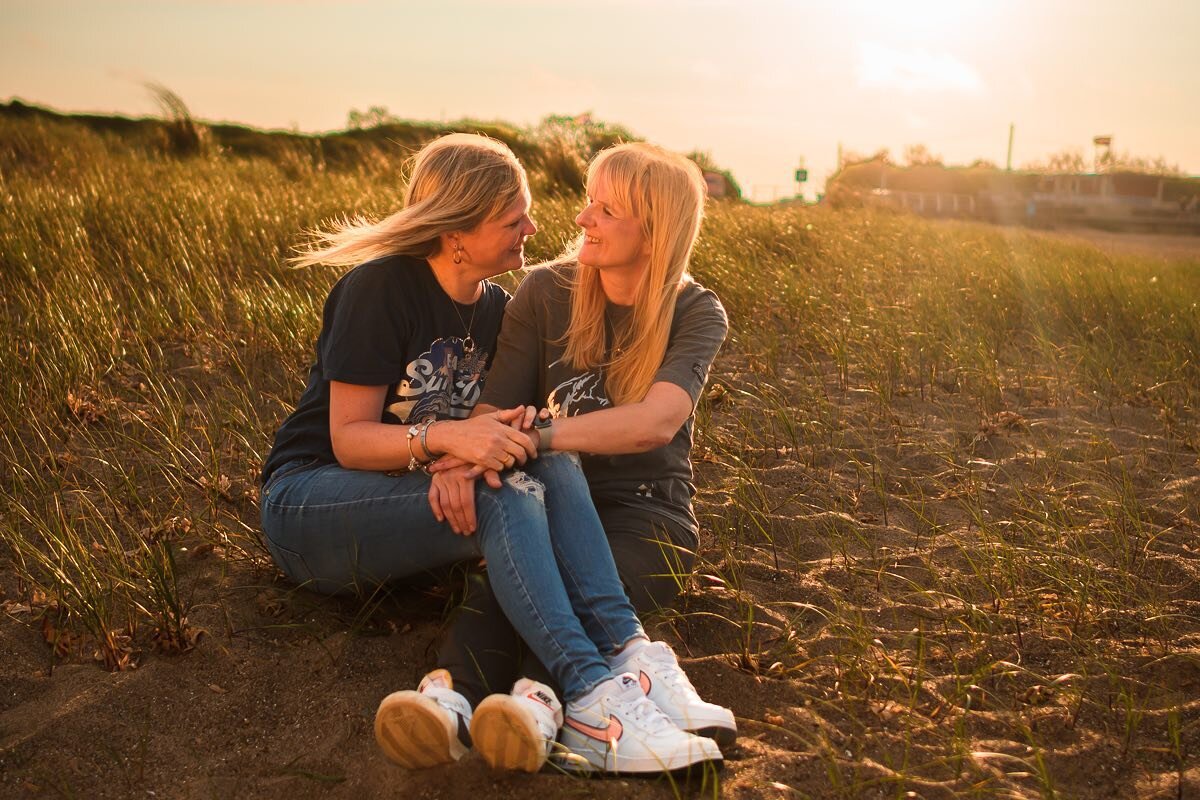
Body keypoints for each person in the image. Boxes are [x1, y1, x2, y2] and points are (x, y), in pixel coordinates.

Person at [258, 133, 721, 777]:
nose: (536, 228)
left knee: (541, 467)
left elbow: (510, 426)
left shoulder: (500, 306)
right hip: (316, 497)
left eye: (528, 213)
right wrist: (449, 447)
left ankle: (474, 696)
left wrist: (480, 454)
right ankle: (590, 690)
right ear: (456, 229)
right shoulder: (380, 289)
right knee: (512, 493)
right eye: (513, 220)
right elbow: (348, 441)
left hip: (428, 496)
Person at [421, 141, 736, 768]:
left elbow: (655, 423)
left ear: (657, 231)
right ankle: (449, 704)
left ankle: (538, 707)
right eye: (589, 202)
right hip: (555, 501)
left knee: (566, 587)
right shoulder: (545, 292)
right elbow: (490, 413)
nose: (582, 219)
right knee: (513, 574)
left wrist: (539, 440)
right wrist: (469, 455)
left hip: (647, 513)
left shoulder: (694, 309)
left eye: (607, 209)